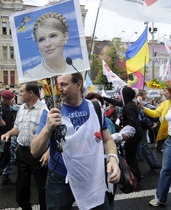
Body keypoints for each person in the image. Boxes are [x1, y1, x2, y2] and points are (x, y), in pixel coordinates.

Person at [31, 73, 120, 210]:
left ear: (78, 85)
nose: (59, 88)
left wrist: (113, 159)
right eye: (58, 84)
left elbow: (107, 139)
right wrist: (48, 127)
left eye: (64, 84)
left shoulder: (95, 108)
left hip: (91, 176)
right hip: (60, 178)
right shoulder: (51, 112)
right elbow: (35, 151)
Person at [1, 82, 48, 210]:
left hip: (38, 154)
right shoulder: (21, 108)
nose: (19, 94)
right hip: (21, 152)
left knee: (42, 188)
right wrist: (9, 133)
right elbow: (17, 128)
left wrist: (47, 151)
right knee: (21, 189)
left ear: (31, 93)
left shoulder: (44, 110)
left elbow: (49, 134)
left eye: (22, 91)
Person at [137, 82, 171, 207]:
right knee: (166, 170)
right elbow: (155, 113)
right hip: (169, 141)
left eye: (165, 90)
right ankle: (161, 198)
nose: (163, 93)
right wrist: (142, 108)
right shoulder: (166, 104)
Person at [24, 12, 82, 80]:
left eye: (53, 36)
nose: (47, 44)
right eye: (41, 40)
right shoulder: (31, 76)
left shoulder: (79, 66)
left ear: (65, 37)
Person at [136, 90, 161, 170]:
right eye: (145, 94)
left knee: (141, 143)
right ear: (141, 94)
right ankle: (153, 163)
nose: (146, 95)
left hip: (140, 125)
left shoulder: (136, 101)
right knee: (143, 144)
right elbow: (155, 109)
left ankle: (138, 158)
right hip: (142, 125)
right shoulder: (142, 102)